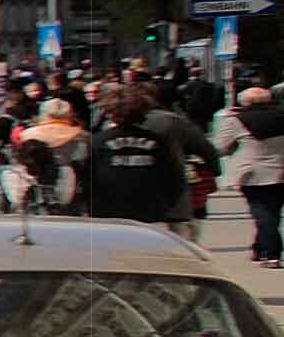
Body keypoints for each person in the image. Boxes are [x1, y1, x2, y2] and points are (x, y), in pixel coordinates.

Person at [85, 77, 210, 234]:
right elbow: (173, 176)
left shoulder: (97, 142)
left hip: (109, 212)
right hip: (150, 212)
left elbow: (88, 179)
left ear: (110, 113)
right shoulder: (159, 141)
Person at [217, 87, 284, 269]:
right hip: (281, 171)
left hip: (252, 173)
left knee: (262, 211)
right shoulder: (281, 115)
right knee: (272, 212)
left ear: (245, 102)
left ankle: (272, 254)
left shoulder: (235, 119)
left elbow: (221, 147)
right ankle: (259, 248)